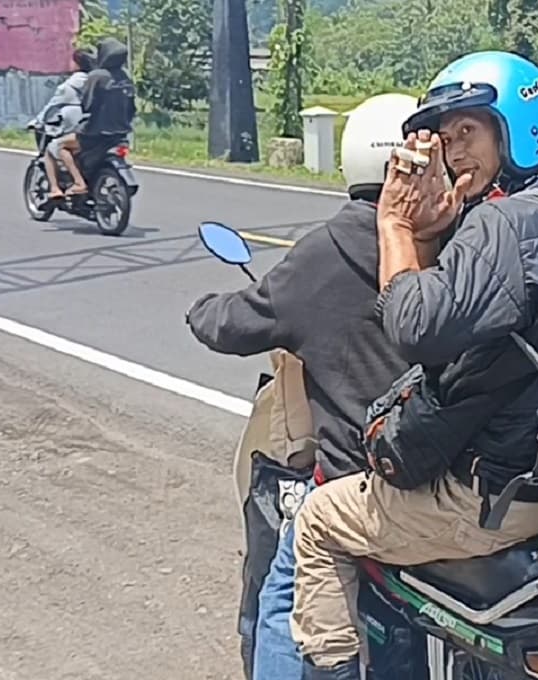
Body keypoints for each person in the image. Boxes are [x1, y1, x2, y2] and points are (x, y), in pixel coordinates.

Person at [290, 51, 538, 680]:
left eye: (471, 132)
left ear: (516, 131)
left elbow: (411, 328)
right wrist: (438, 230)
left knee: (318, 523)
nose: (456, 151)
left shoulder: (500, 225)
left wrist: (396, 224)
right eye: (448, 136)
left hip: (489, 501)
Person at [185, 92, 421, 680]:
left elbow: (235, 322)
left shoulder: (326, 252)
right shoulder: (454, 240)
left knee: (281, 593)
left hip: (358, 481)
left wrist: (201, 308)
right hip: (449, 477)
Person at [55, 37, 136, 196]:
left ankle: (79, 182)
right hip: (121, 133)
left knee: (61, 146)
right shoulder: (125, 78)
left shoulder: (97, 76)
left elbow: (87, 104)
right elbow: (132, 108)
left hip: (95, 132)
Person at [37, 48, 96, 199]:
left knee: (54, 148)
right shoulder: (97, 81)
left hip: (81, 129)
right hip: (100, 129)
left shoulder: (69, 86)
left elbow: (52, 105)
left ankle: (57, 188)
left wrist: (37, 121)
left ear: (77, 63)